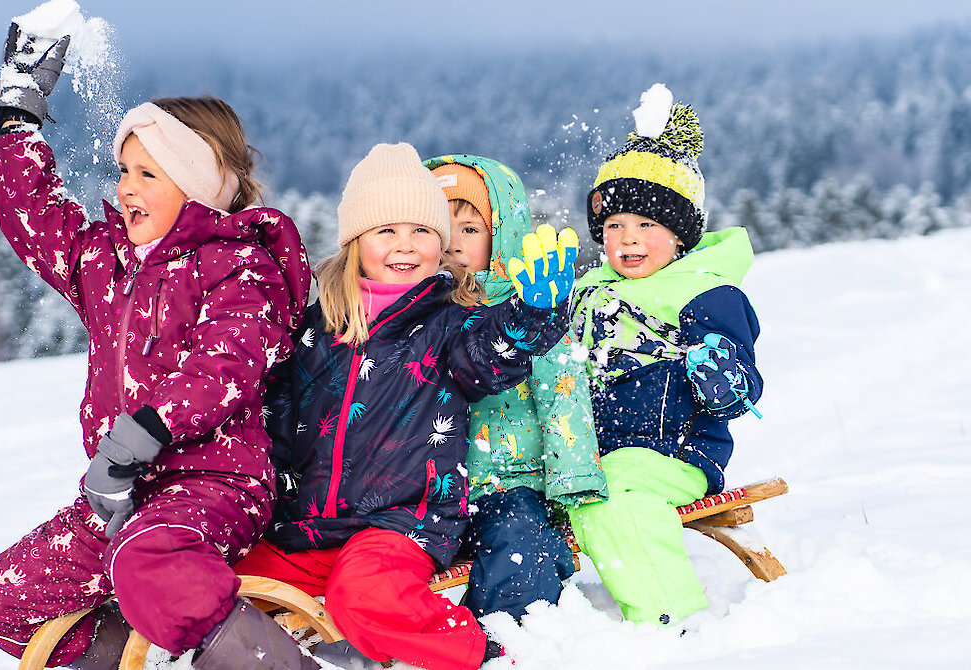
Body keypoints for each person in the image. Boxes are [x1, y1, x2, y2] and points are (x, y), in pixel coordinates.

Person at [0, 22, 317, 670]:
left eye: (147, 173)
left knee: (147, 556)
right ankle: (138, 656)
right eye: (124, 170)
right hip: (120, 497)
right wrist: (17, 120)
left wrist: (137, 438)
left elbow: (225, 365)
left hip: (214, 485)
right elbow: (37, 221)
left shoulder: (238, 266)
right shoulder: (108, 265)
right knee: (6, 599)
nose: (125, 187)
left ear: (198, 184)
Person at [235, 142, 578, 670]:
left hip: (399, 523)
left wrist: (532, 314)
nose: (405, 245)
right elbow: (275, 415)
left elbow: (490, 354)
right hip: (304, 528)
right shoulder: (315, 326)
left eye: (421, 230)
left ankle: (478, 653)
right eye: (386, 231)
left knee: (363, 599)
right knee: (215, 577)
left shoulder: (449, 322)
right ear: (356, 240)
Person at [567, 84, 764, 626]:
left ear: (679, 235)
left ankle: (672, 619)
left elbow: (743, 387)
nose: (627, 239)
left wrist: (723, 378)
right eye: (614, 226)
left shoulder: (704, 292)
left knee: (613, 497)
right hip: (590, 456)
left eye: (646, 225)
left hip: (674, 454)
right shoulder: (589, 290)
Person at [423, 155, 606, 621]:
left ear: (501, 235)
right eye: (438, 228)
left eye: (469, 229)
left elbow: (564, 392)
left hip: (508, 483)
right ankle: (417, 636)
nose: (452, 243)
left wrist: (574, 479)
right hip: (425, 492)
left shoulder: (531, 309)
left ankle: (505, 633)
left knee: (520, 548)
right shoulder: (417, 313)